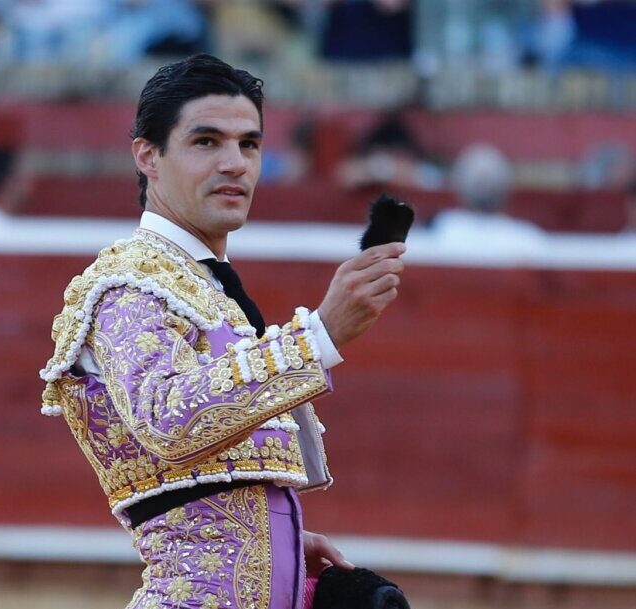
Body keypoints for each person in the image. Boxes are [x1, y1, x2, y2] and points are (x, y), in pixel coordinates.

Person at [39, 54, 406, 609]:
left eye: (249, 144)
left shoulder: (210, 292)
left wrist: (276, 543)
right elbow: (166, 418)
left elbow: (203, 485)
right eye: (206, 141)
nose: (234, 163)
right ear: (148, 156)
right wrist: (320, 336)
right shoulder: (128, 286)